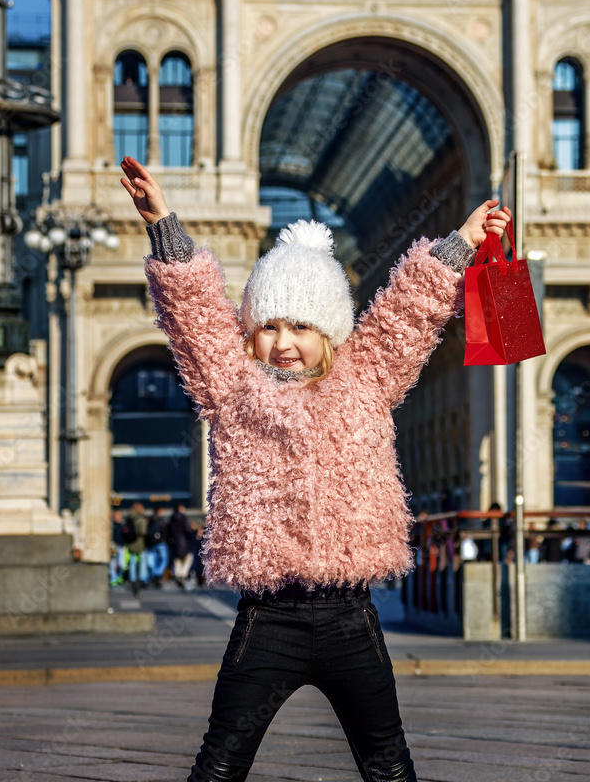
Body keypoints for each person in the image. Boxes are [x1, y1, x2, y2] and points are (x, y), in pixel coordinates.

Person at [120, 154, 512, 782]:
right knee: (219, 764)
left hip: (348, 617)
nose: (282, 341)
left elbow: (409, 314)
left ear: (330, 330)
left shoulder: (366, 377)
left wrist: (462, 243)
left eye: (301, 325)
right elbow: (194, 318)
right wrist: (163, 225)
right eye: (268, 325)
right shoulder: (232, 384)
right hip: (266, 617)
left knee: (388, 763)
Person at [168, 503, 194, 589]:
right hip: (183, 542)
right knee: (188, 557)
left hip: (174, 542)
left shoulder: (171, 519)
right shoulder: (183, 518)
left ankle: (177, 574)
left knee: (177, 560)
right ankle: (182, 575)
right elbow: (187, 530)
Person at [126, 501, 150, 596]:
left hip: (131, 542)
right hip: (139, 543)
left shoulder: (130, 518)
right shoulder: (140, 519)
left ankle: (132, 579)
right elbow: (143, 532)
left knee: (132, 562)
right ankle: (142, 578)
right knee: (142, 561)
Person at [145, 505, 169, 587]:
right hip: (161, 543)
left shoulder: (150, 521)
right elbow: (165, 531)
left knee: (154, 561)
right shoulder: (161, 520)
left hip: (152, 543)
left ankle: (153, 575)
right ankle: (157, 574)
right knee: (164, 560)